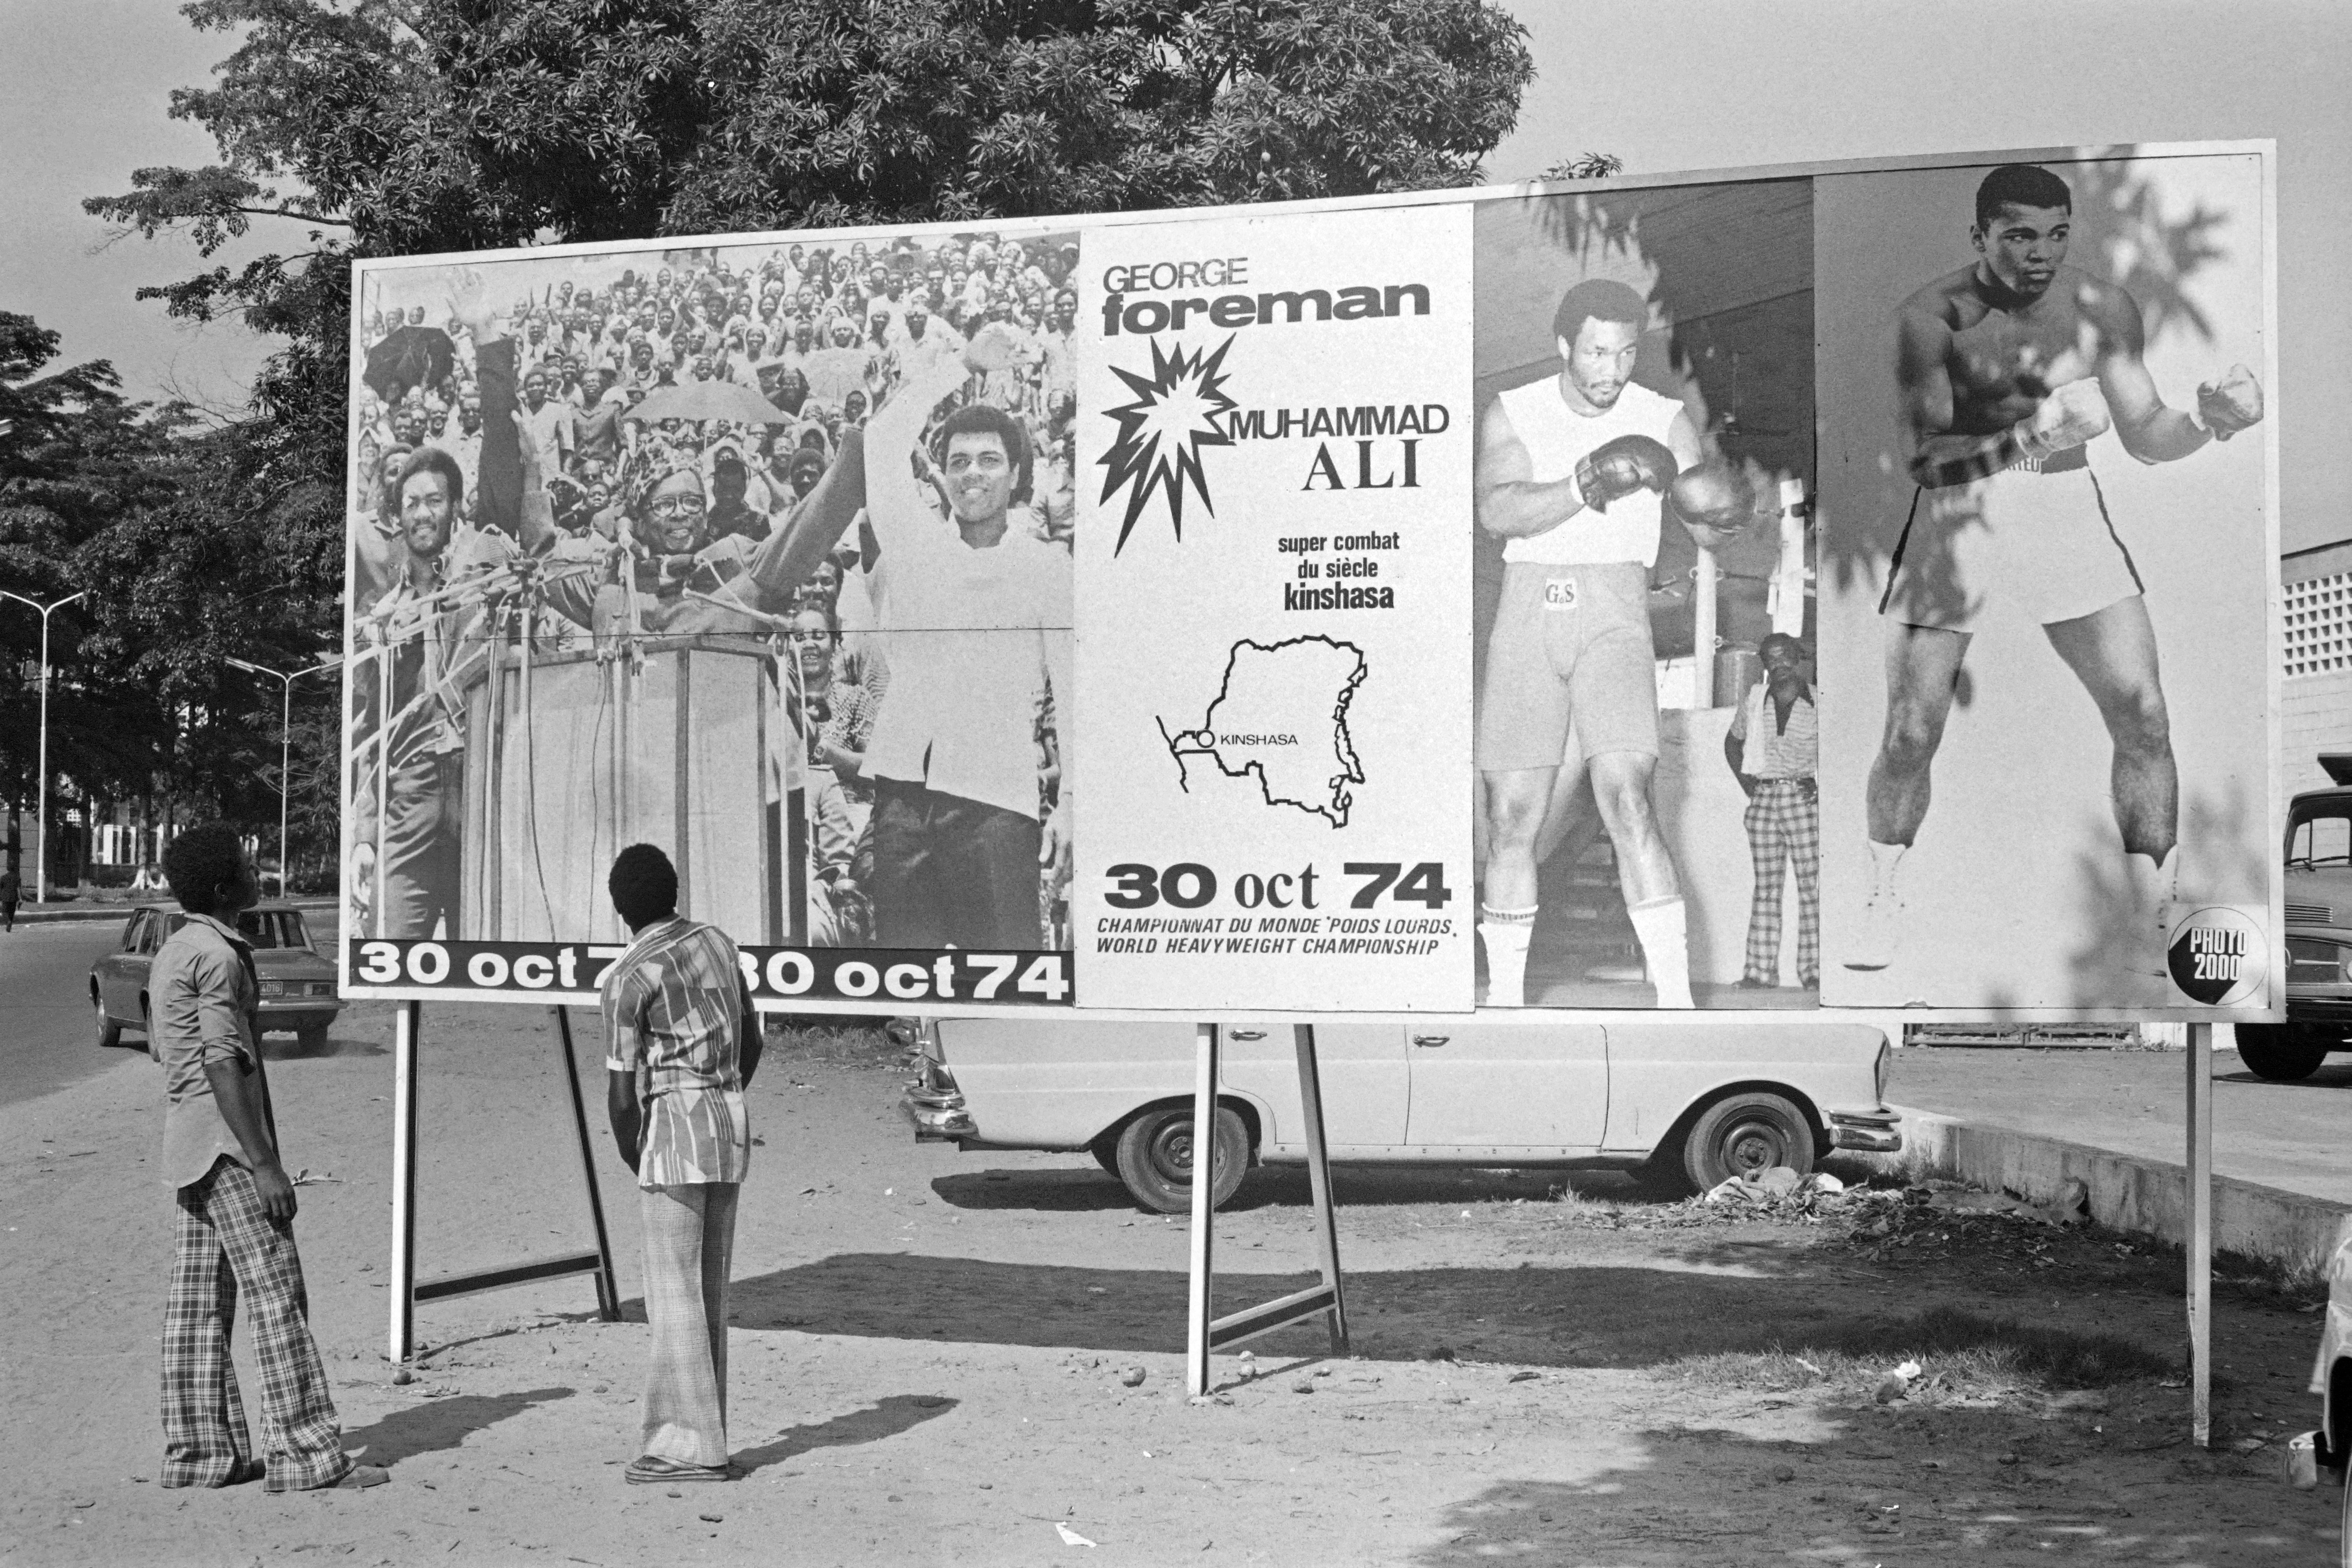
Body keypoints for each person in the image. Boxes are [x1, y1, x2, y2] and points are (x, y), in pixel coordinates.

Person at [1853, 163, 2265, 974]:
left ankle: (2154, 920)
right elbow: (1926, 461)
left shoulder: (2101, 307)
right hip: (1960, 514)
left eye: (2054, 234)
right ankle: (1881, 899)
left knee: (2143, 712)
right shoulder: (1929, 319)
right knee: (1910, 729)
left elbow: (2146, 433)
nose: (2039, 253)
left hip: (2064, 508)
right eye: (2017, 236)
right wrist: (2031, 437)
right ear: (1980, 238)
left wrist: (2209, 424)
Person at [1474, 278, 1717, 1008]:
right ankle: (1508, 1002)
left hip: (1616, 609)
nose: (1611, 369)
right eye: (1595, 352)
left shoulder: (1663, 417)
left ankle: (1675, 1003)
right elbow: (1497, 510)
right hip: (1529, 608)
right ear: (1563, 348)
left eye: (1624, 352)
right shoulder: (1514, 409)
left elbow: (1712, 527)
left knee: (1629, 797)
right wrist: (1588, 480)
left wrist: (1718, 501)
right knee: (1512, 816)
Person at [151, 824, 387, 1492]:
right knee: (278, 1293)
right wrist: (263, 1163)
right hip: (228, 1146)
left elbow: (172, 1053)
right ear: (227, 888)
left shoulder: (177, 949)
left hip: (187, 1142)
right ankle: (306, 1457)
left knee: (199, 1303)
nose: (258, 873)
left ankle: (202, 1455)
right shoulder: (220, 957)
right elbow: (225, 1060)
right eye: (248, 867)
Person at [859, 322, 1074, 949]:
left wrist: (1072, 808)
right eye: (958, 462)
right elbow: (883, 437)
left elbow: (1075, 695)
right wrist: (961, 364)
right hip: (903, 798)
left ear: (1015, 474)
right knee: (909, 984)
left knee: (1006, 984)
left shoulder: (1047, 568)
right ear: (943, 477)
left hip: (997, 801)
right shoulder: (915, 546)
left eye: (988, 461)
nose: (971, 475)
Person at [600, 843, 761, 1485]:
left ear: (619, 908)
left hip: (671, 1131)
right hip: (729, 1124)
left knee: (672, 1296)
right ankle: (710, 1439)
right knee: (709, 1292)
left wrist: (636, 1148)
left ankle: (682, 1447)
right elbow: (752, 1040)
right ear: (673, 890)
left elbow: (620, 1095)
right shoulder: (719, 944)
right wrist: (723, 1093)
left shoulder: (629, 977)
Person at [1725, 633, 1820, 990]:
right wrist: (1750, 788)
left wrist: (1819, 783)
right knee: (1766, 890)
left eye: (1783, 657)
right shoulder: (1755, 700)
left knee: (1813, 887)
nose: (1777, 665)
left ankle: (1815, 973)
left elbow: (1840, 751)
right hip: (1764, 802)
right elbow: (1733, 744)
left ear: (1797, 657)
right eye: (1770, 659)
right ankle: (1760, 974)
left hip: (1802, 802)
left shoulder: (1820, 700)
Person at [0, 863, 18, 931]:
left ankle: (8, 921)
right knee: (12, 912)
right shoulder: (17, 878)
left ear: (7, 869)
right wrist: (20, 899)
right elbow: (19, 889)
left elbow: (1, 888)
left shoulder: (3, 877)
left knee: (4, 911)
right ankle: (10, 924)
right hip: (14, 897)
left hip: (5, 897)